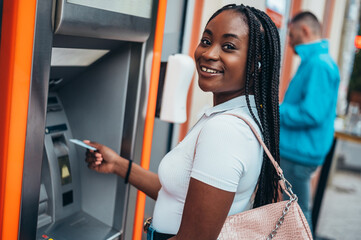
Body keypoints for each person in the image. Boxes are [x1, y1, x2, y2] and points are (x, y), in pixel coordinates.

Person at [85, 4, 281, 240]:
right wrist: (117, 164)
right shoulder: (226, 117)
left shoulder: (226, 131)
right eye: (206, 41)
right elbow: (184, 197)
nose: (209, 54)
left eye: (228, 47)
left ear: (256, 64)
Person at [280, 11, 340, 233]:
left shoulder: (319, 65)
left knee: (298, 215)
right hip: (298, 151)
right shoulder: (315, 61)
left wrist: (277, 110)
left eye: (292, 33)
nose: (289, 40)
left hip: (298, 153)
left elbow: (311, 114)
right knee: (292, 211)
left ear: (304, 30)